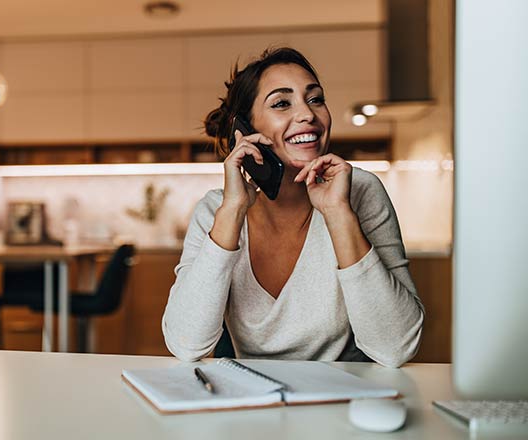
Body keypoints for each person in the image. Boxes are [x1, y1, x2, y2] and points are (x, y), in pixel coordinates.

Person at [162, 47, 423, 368]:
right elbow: (185, 344)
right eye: (282, 103)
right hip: (250, 399)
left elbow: (396, 347)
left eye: (315, 99)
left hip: (340, 399)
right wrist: (232, 210)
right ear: (243, 130)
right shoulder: (217, 209)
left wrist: (338, 213)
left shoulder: (360, 191)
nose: (308, 114)